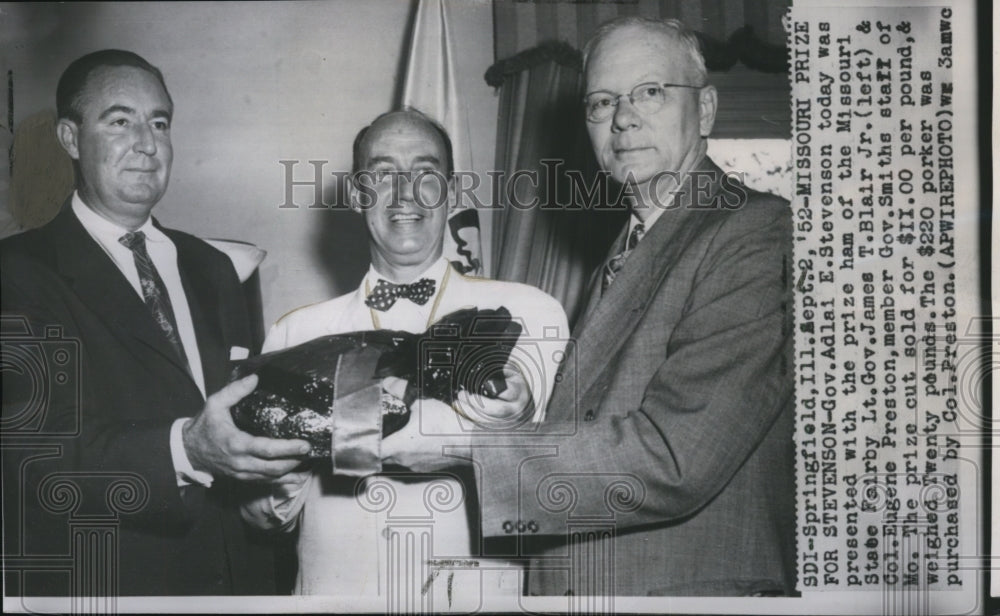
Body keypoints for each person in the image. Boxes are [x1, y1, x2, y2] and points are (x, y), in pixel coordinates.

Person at [384, 17, 796, 597]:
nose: (623, 118)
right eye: (601, 102)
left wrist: (459, 447)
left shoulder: (756, 230)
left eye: (651, 92)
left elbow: (677, 455)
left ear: (704, 110)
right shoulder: (630, 246)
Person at [0, 49, 311, 596]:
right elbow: (35, 452)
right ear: (70, 139)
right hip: (110, 585)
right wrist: (186, 449)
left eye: (159, 122)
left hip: (237, 586)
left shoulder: (214, 267)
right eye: (120, 121)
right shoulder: (20, 271)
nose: (147, 143)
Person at [240, 109, 568, 606]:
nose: (405, 193)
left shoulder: (529, 311)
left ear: (454, 193)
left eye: (426, 174)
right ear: (356, 194)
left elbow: (538, 469)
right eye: (383, 174)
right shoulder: (295, 331)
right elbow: (263, 516)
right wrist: (280, 473)